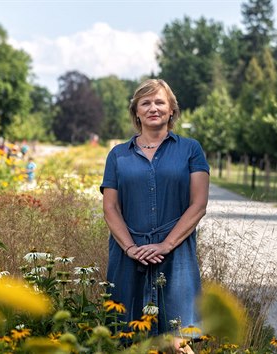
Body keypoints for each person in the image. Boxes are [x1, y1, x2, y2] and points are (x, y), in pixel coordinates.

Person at [100, 79, 209, 352]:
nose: (153, 108)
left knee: (177, 340)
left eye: (160, 102)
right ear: (136, 111)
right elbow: (110, 208)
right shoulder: (117, 155)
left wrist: (165, 245)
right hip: (128, 259)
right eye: (145, 103)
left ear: (172, 109)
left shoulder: (191, 149)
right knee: (127, 338)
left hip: (176, 258)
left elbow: (198, 204)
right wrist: (130, 248)